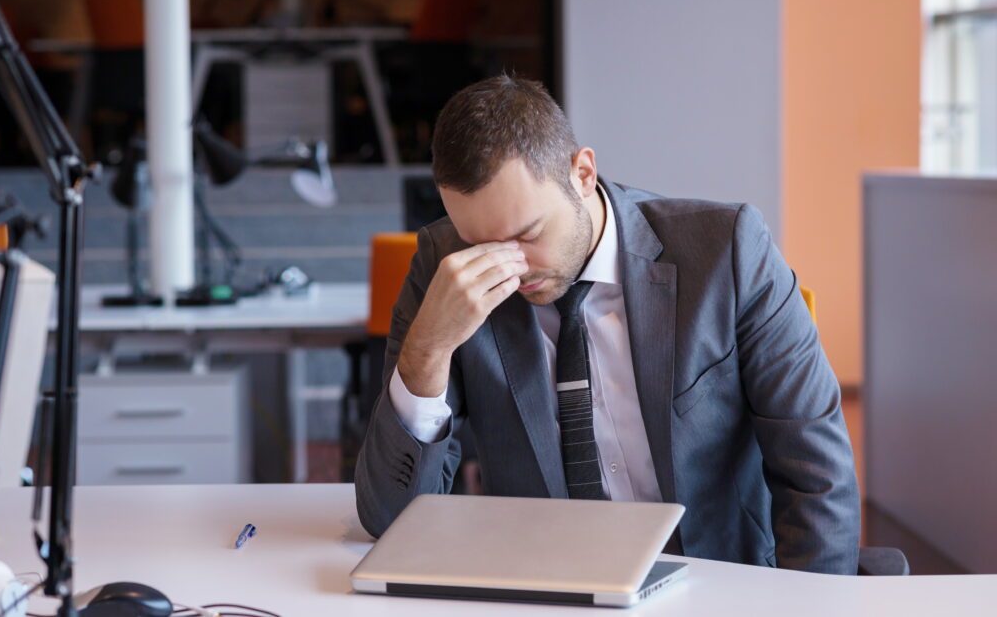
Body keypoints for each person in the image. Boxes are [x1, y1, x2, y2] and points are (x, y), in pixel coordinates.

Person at [355, 75, 860, 574]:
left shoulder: (726, 252)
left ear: (583, 173)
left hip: (718, 584)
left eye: (528, 234)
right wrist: (426, 350)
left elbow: (817, 477)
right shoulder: (445, 270)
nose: (512, 267)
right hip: (545, 593)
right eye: (480, 244)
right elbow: (393, 522)